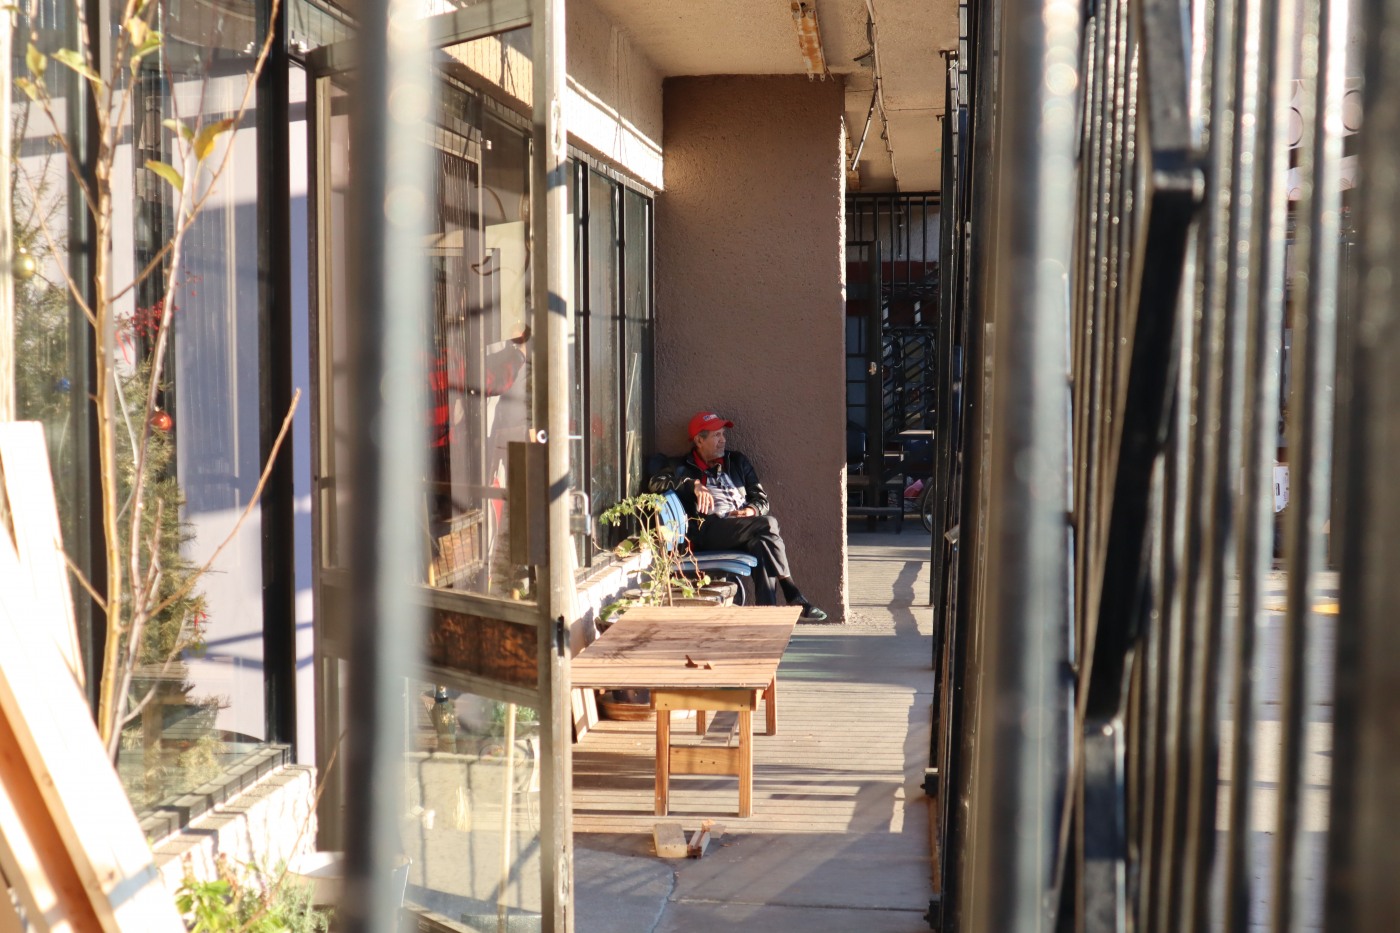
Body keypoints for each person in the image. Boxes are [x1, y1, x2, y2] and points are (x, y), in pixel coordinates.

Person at [649, 411, 829, 622]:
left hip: (743, 527)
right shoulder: (680, 466)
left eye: (723, 434)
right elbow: (655, 482)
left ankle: (767, 620)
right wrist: (693, 484)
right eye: (716, 435)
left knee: (762, 543)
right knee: (769, 524)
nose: (723, 440)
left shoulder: (737, 461)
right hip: (708, 530)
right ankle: (791, 592)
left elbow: (761, 499)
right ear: (699, 440)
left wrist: (751, 511)